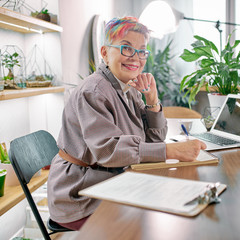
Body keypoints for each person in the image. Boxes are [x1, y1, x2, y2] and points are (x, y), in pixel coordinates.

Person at [47, 16, 206, 230]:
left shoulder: (127, 88)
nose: (136, 58)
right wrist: (171, 151)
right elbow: (110, 150)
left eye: (142, 51)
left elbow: (152, 139)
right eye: (126, 48)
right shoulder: (93, 92)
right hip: (80, 194)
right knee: (158, 220)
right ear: (104, 53)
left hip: (109, 181)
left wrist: (152, 101)